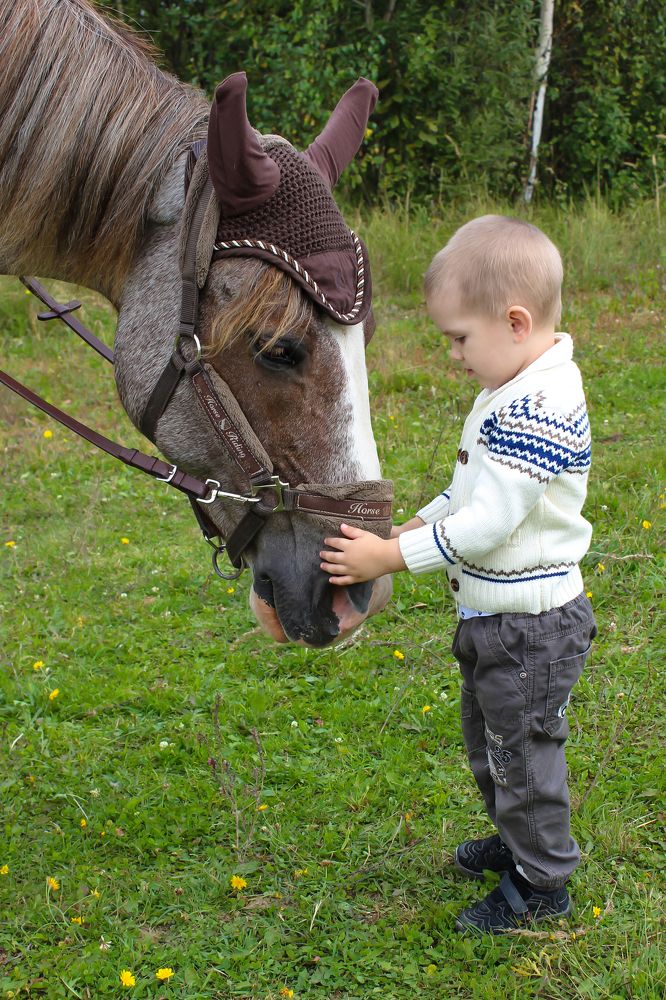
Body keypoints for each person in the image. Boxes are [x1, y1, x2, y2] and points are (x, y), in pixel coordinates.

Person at [320, 215, 597, 934]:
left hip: (531, 627)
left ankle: (543, 885)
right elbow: (468, 493)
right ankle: (517, 844)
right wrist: (418, 521)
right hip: (494, 621)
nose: (453, 355)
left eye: (459, 339)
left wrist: (391, 557)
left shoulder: (539, 405)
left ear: (514, 321)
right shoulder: (510, 388)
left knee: (524, 755)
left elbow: (489, 524)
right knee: (493, 745)